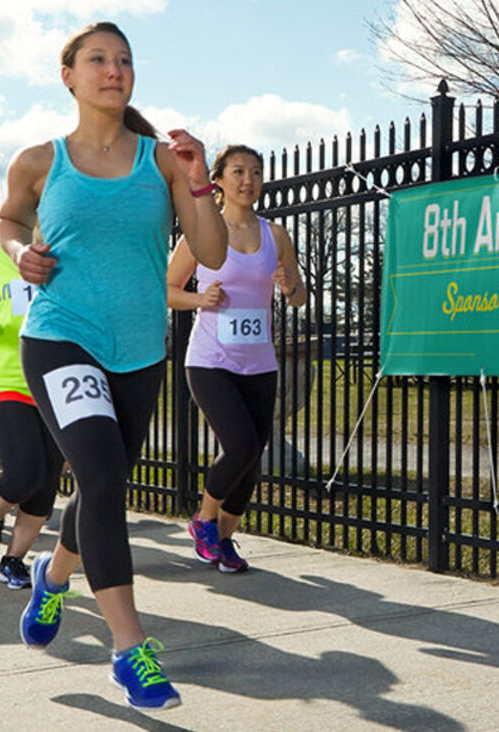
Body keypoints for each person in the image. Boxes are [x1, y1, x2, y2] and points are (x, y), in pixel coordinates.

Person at [0, 21, 226, 710]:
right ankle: (131, 652)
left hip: (138, 352)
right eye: (97, 59)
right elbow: (9, 222)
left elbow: (210, 253)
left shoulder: (163, 160)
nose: (113, 69)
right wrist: (17, 254)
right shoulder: (39, 161)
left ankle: (53, 579)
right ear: (68, 75)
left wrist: (202, 179)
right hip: (61, 336)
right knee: (101, 477)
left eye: (123, 59)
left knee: (101, 487)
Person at [166, 144, 306, 573]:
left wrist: (287, 287)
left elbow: (300, 298)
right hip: (210, 360)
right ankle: (205, 520)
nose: (249, 181)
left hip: (260, 363)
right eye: (239, 172)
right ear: (220, 180)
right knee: (240, 444)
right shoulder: (202, 234)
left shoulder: (275, 235)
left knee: (251, 459)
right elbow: (166, 289)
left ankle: (224, 541)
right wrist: (199, 298)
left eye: (257, 172)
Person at [0, 225, 65, 590]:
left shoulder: (62, 254)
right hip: (5, 377)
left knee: (45, 485)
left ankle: (13, 561)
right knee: (25, 470)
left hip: (53, 380)